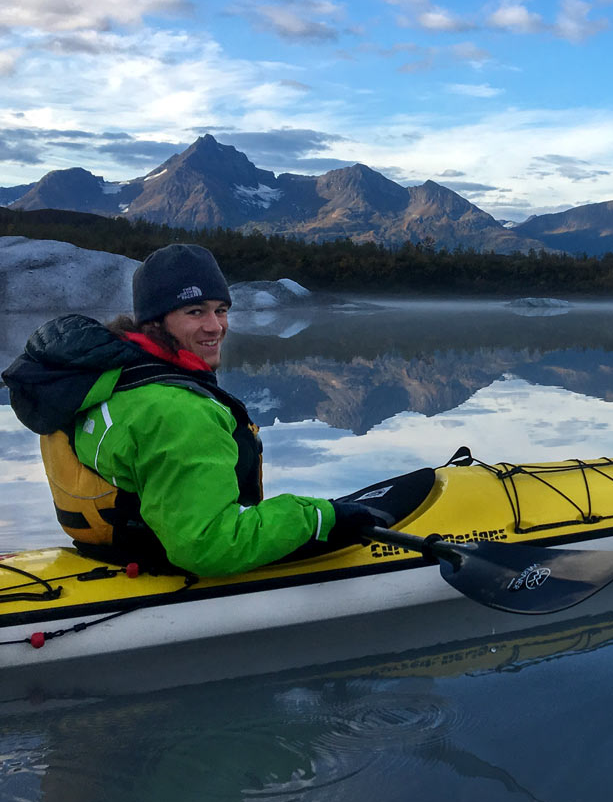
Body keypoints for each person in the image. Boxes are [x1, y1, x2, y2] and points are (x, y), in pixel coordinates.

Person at [2, 244, 422, 576]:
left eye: (221, 310)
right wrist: (317, 517)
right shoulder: (177, 411)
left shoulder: (99, 379)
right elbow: (208, 547)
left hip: (114, 551)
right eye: (194, 312)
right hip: (171, 560)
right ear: (154, 321)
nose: (215, 326)